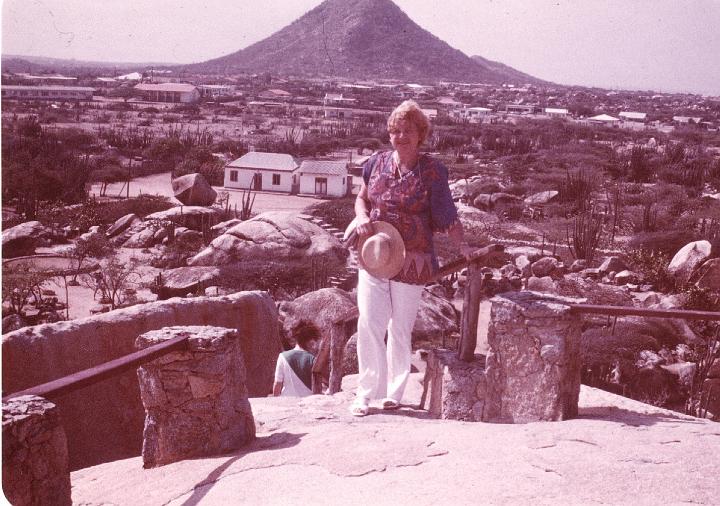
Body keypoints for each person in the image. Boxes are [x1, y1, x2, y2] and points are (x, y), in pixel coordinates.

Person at [350, 100, 472, 416]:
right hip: (375, 252)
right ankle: (365, 394)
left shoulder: (432, 171)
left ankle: (393, 393)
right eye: (396, 131)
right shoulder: (375, 163)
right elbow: (361, 198)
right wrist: (362, 216)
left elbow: (447, 215)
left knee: (400, 328)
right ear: (390, 134)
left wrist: (463, 248)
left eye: (408, 131)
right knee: (369, 322)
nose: (401, 136)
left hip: (412, 260)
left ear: (421, 135)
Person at [273, 320, 320, 397]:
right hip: (307, 401)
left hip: (287, 401)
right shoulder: (312, 359)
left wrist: (275, 401)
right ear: (308, 340)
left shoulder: (283, 356)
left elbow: (278, 383)